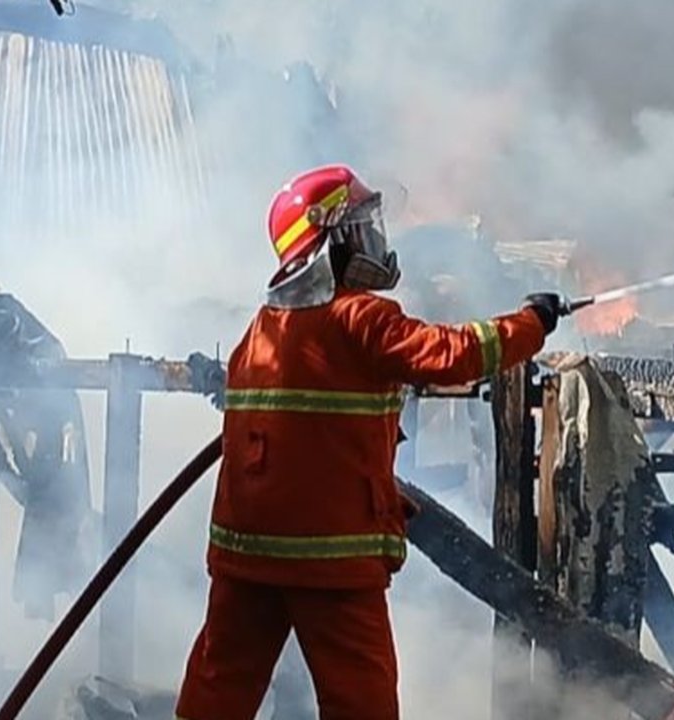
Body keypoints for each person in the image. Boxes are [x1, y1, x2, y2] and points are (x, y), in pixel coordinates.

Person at [175, 164, 562, 720]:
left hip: (245, 555)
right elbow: (454, 354)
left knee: (217, 693)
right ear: (330, 242)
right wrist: (532, 321)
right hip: (330, 558)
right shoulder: (361, 318)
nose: (374, 240)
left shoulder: (260, 330)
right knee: (362, 703)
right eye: (360, 228)